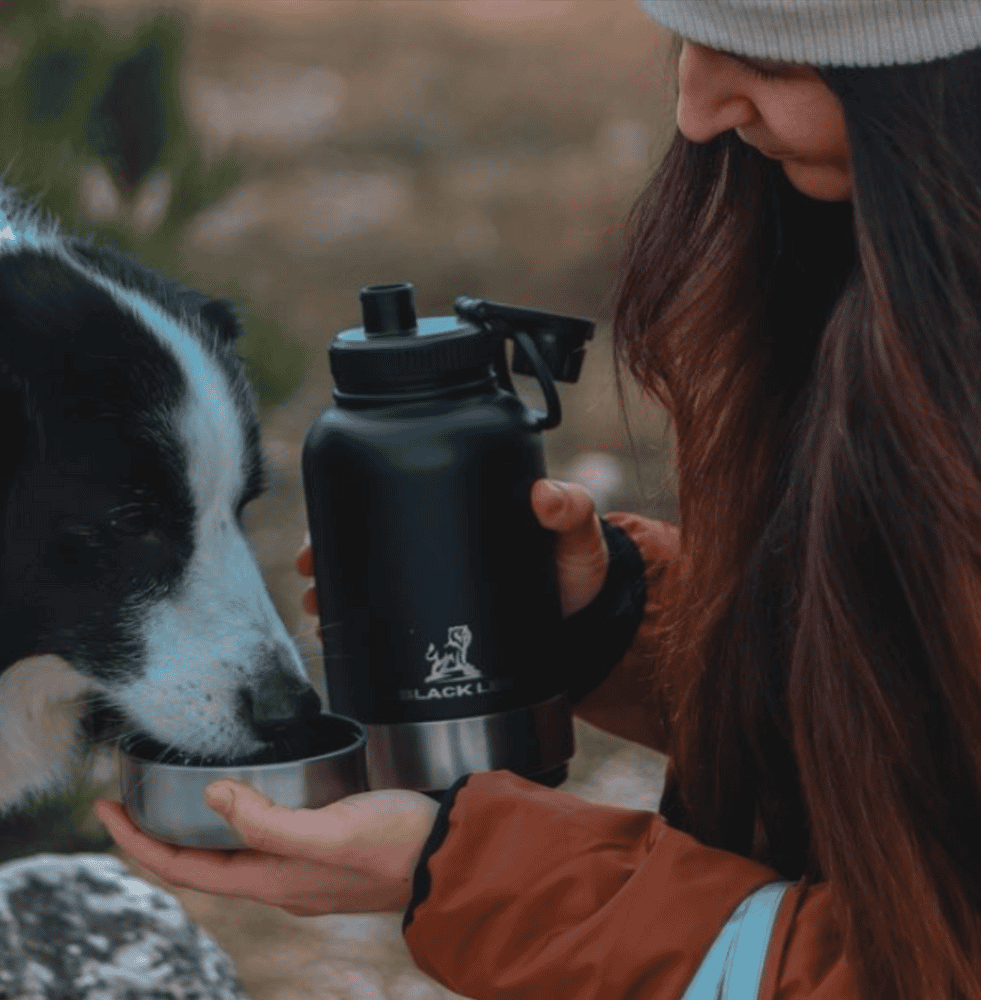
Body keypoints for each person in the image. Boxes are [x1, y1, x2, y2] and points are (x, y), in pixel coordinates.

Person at [94, 1, 981, 997]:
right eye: (689, 34)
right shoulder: (875, 286)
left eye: (775, 60)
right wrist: (623, 622)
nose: (693, 109)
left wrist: (478, 875)